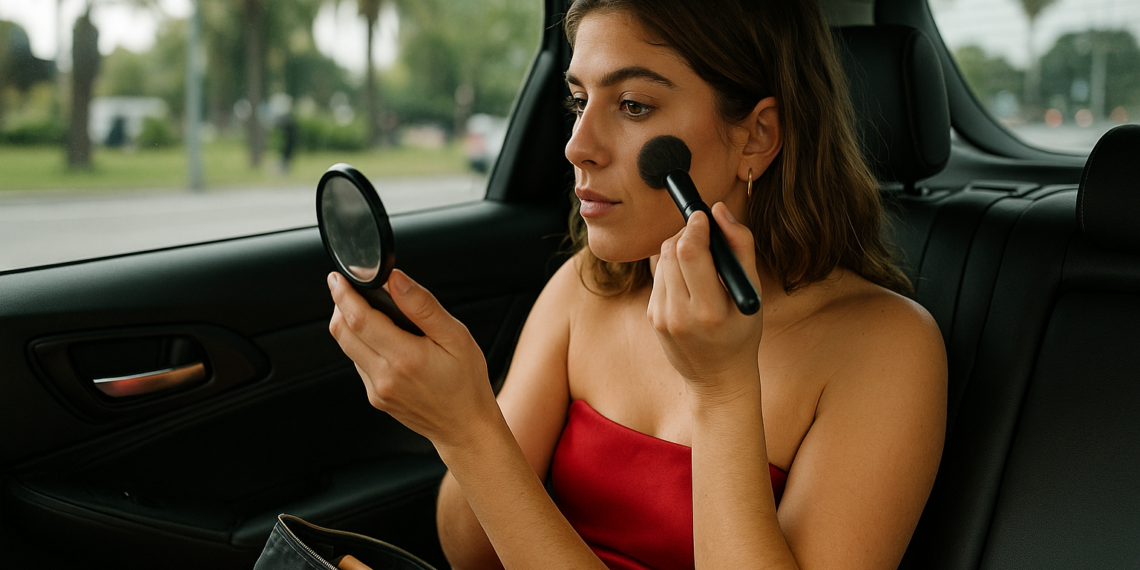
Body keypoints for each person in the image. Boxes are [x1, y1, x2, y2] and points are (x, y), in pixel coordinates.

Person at [326, 0, 947, 568]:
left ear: (755, 136)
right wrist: (460, 428)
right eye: (578, 102)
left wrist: (724, 391)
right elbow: (472, 554)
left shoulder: (886, 348)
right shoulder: (582, 291)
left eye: (633, 106)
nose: (577, 146)